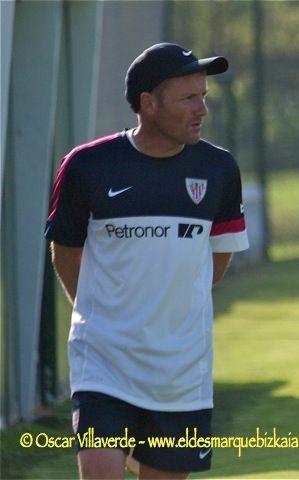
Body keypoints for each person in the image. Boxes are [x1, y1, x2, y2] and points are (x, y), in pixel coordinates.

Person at [45, 43, 249, 479]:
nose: (202, 110)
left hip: (182, 373)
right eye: (188, 98)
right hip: (102, 364)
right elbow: (65, 249)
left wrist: (173, 303)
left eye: (204, 97)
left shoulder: (220, 169)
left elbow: (220, 253)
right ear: (148, 104)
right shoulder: (86, 166)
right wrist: (100, 312)